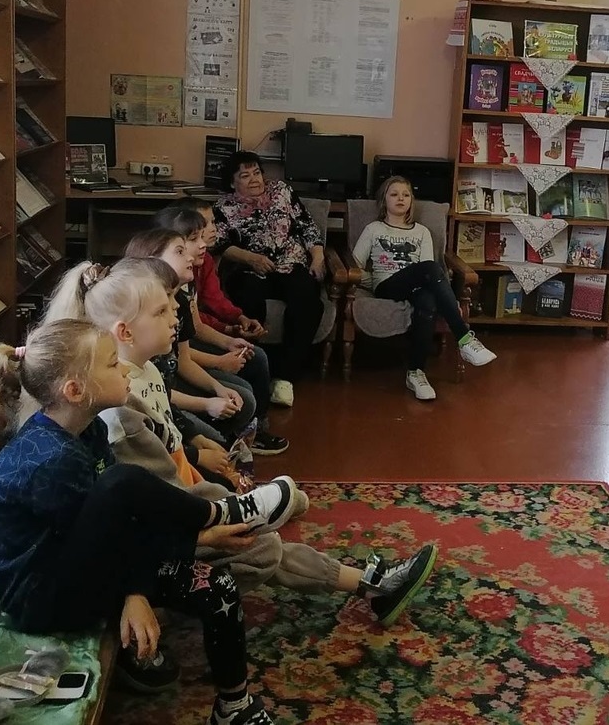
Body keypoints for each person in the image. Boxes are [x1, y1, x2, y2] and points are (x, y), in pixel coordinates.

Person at [50, 255, 439, 625]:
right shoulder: (119, 405)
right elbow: (154, 494)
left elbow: (170, 440)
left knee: (261, 531)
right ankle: (164, 612)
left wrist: (205, 470)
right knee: (262, 547)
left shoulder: (148, 371)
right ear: (125, 331)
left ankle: (372, 586)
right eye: (162, 311)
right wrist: (215, 515)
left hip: (182, 496)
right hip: (163, 524)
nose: (177, 317)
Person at [0, 315, 305, 724]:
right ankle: (219, 512)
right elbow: (111, 540)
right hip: (45, 599)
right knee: (122, 482)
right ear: (75, 391)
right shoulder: (51, 461)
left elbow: (117, 527)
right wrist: (139, 589)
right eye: (113, 364)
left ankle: (234, 707)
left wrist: (148, 579)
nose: (125, 371)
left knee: (215, 586)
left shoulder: (88, 429)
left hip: (81, 564)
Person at [154, 203, 289, 456]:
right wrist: (219, 364)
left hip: (175, 370)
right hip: (169, 383)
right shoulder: (158, 295)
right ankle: (227, 440)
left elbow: (196, 325)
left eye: (210, 225)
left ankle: (247, 433)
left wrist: (230, 337)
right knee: (242, 399)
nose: (206, 238)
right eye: (194, 237)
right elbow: (175, 364)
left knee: (253, 366)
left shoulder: (187, 280)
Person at [351, 176, 496, 400]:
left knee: (427, 301)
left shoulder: (422, 232)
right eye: (394, 194)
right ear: (383, 200)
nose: (400, 198)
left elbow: (430, 275)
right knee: (430, 268)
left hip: (418, 285)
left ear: (411, 201)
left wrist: (441, 296)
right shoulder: (374, 229)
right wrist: (372, 282)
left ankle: (415, 372)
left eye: (406, 194)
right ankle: (464, 338)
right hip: (387, 285)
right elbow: (355, 266)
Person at [122, 228, 255, 450]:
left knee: (242, 400)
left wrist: (217, 389)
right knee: (214, 444)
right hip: (164, 402)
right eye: (180, 251)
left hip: (167, 392)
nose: (191, 256)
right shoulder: (139, 317)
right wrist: (207, 403)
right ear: (153, 260)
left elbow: (177, 364)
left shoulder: (181, 301)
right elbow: (158, 395)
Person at [213, 150, 327, 408]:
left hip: (291, 264)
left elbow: (307, 227)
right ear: (232, 182)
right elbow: (219, 245)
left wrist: (318, 257)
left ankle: (285, 377)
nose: (255, 179)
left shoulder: (282, 192)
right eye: (245, 175)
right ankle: (253, 368)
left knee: (309, 302)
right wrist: (249, 258)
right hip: (248, 269)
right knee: (247, 299)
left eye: (257, 173)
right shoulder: (223, 207)